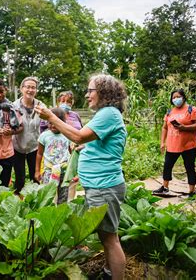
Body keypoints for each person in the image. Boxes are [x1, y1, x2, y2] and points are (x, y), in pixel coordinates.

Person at [35, 74, 127, 280]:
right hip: (100, 185)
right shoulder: (107, 114)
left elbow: (78, 135)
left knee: (110, 239)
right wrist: (88, 146)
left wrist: (51, 117)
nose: (87, 95)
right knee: (106, 236)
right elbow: (98, 141)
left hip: (105, 186)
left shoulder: (108, 114)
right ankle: (108, 272)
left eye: (90, 90)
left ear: (104, 92)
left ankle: (115, 276)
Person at [153, 89, 196, 197]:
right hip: (172, 145)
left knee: (189, 167)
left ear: (183, 97)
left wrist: (184, 127)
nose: (176, 99)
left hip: (188, 145)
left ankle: (192, 191)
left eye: (178, 97)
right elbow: (164, 128)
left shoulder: (192, 110)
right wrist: (162, 142)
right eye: (173, 98)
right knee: (167, 166)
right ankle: (165, 187)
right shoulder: (170, 112)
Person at [13, 77, 45, 192]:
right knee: (19, 178)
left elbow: (47, 124)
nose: (30, 90)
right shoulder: (14, 106)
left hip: (35, 146)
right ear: (22, 89)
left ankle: (36, 203)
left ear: (36, 90)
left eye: (33, 87)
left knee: (35, 177)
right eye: (27, 87)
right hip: (17, 146)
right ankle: (18, 202)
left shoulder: (41, 106)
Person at [34, 107, 71, 204]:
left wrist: (73, 172)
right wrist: (37, 171)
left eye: (55, 123)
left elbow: (70, 153)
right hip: (49, 171)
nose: (53, 126)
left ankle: (61, 216)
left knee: (63, 196)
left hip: (64, 171)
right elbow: (39, 154)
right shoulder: (44, 136)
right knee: (46, 196)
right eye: (50, 123)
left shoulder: (67, 135)